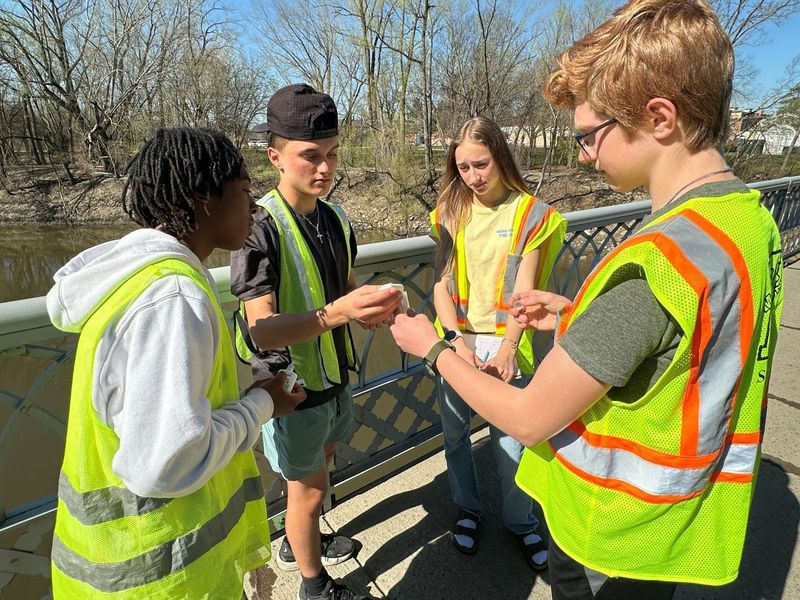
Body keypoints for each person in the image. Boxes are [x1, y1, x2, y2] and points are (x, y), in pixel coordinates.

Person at [389, 1, 784, 598]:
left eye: (589, 135)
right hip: (678, 523)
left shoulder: (662, 257)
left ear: (659, 117)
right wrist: (575, 316)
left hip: (613, 532)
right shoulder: (747, 222)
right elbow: (687, 340)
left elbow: (529, 418)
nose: (582, 154)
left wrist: (433, 349)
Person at [46, 127, 306, 599]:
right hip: (163, 581)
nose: (254, 207)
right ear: (204, 197)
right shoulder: (172, 297)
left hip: (122, 573)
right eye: (245, 192)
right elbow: (166, 463)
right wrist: (262, 405)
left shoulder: (146, 280)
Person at [230, 84, 401, 600]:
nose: (324, 169)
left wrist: (368, 305)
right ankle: (313, 584)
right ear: (274, 155)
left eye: (331, 155)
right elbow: (261, 327)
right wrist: (337, 313)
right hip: (292, 387)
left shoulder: (337, 217)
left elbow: (341, 285)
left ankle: (295, 545)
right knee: (305, 493)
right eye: (310, 156)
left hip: (334, 374)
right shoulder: (257, 227)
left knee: (320, 467)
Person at [429, 116, 566, 569]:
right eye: (463, 167)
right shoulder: (452, 209)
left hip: (506, 343)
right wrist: (452, 339)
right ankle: (468, 510)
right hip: (459, 342)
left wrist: (507, 348)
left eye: (481, 164)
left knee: (512, 443)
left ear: (501, 157)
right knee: (455, 436)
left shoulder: (530, 214)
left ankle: (521, 522)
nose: (472, 177)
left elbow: (523, 293)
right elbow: (441, 285)